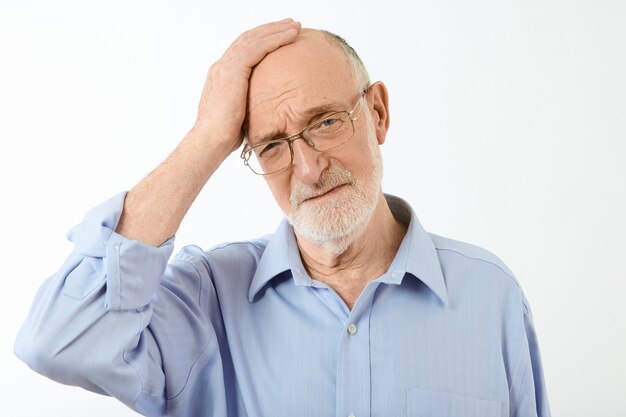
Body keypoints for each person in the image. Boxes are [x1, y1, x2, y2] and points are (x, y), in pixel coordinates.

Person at [15, 19, 550, 417]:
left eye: (327, 121)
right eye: (272, 146)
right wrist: (208, 137)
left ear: (379, 113)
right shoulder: (209, 301)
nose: (310, 168)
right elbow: (57, 339)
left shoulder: (490, 295)